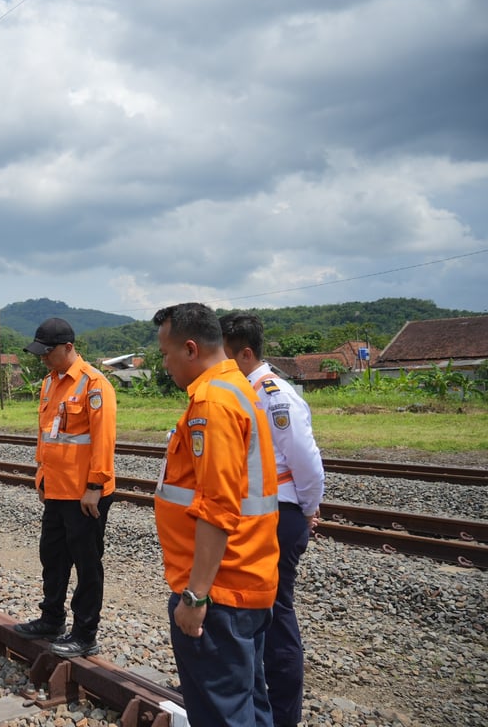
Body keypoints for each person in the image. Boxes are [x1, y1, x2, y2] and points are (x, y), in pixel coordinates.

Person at [152, 302, 280, 727]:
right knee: (250, 703)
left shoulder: (212, 402)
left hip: (221, 590)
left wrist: (195, 596)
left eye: (166, 354)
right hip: (248, 576)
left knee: (221, 712)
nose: (164, 364)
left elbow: (218, 505)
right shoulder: (240, 388)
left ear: (190, 349)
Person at [221, 313, 325, 727]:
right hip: (257, 515)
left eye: (225, 355)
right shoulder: (241, 392)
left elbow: (306, 461)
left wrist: (309, 508)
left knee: (276, 615)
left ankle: (283, 715)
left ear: (246, 353)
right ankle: (255, 701)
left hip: (279, 515)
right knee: (254, 613)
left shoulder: (273, 394)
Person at [12, 318, 117, 658]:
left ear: (69, 348)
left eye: (48, 352)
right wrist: (41, 476)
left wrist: (94, 486)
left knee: (87, 564)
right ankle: (51, 619)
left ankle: (85, 632)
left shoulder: (94, 385)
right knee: (53, 558)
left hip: (84, 494)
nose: (43, 359)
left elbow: (103, 441)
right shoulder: (49, 383)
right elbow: (47, 435)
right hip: (56, 489)